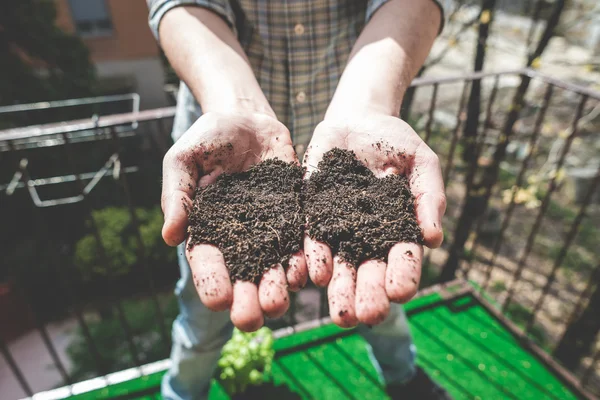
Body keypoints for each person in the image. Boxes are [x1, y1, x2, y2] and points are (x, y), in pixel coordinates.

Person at [147, 0, 450, 398]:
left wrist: (370, 103)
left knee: (376, 287)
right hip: (224, 148)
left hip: (353, 124)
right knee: (204, 309)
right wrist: (232, 105)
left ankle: (403, 376)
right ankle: (182, 391)